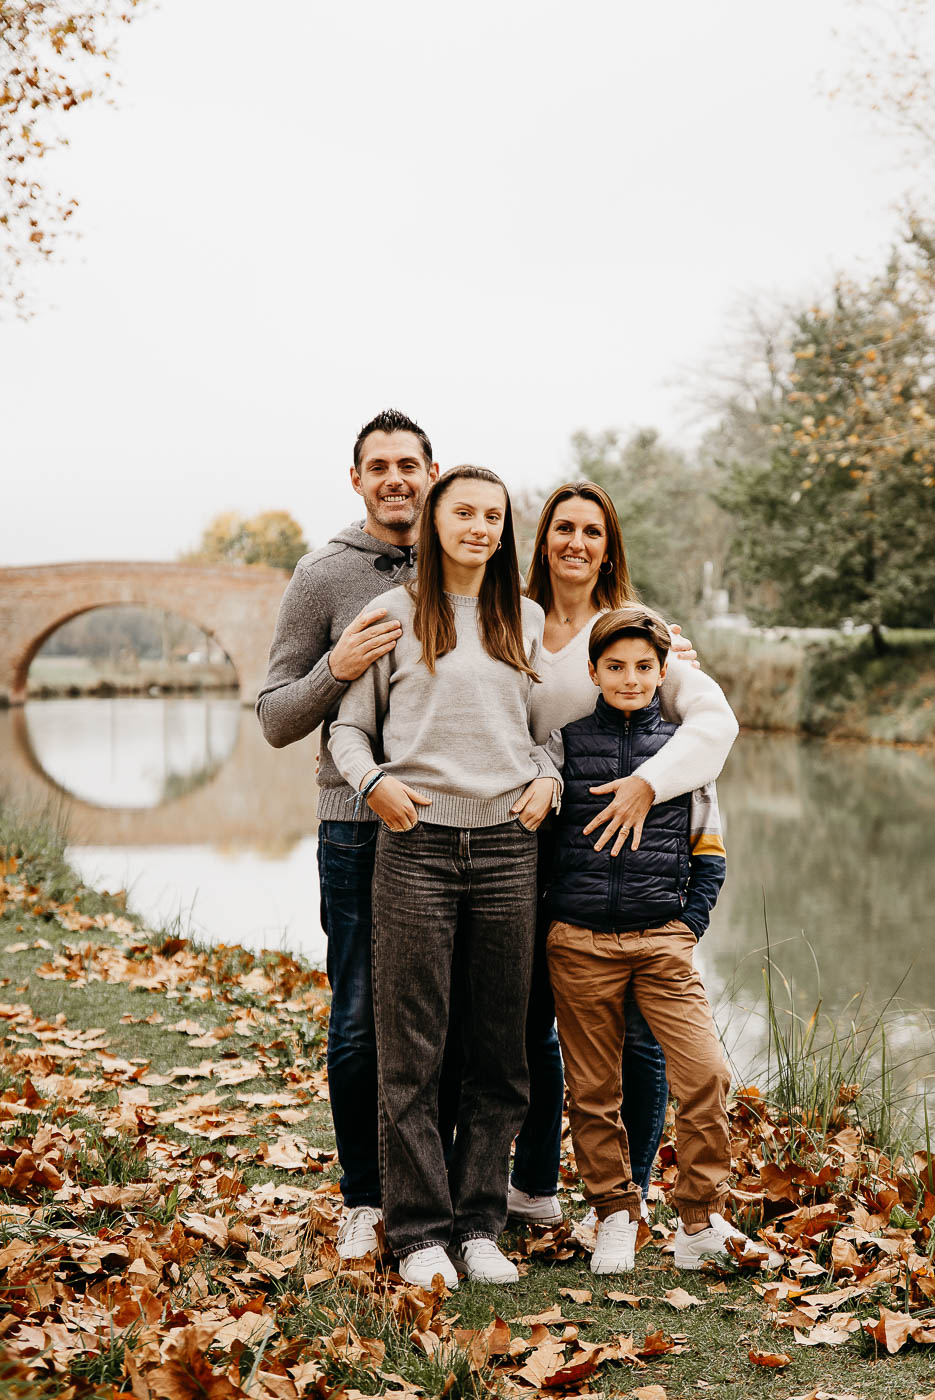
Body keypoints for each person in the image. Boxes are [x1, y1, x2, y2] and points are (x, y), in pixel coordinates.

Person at [328, 465, 561, 1290]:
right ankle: (420, 1232)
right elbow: (347, 735)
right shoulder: (391, 613)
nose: (479, 527)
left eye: (493, 516)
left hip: (506, 850)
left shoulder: (523, 619)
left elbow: (549, 734)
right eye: (463, 512)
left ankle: (479, 1225)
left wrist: (549, 780)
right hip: (417, 849)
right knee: (412, 1051)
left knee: (499, 1052)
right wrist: (375, 785)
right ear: (434, 522)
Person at [508, 483, 739, 1229]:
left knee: (641, 1045)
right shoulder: (510, 619)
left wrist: (645, 785)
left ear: (609, 546)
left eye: (592, 531)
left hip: (625, 856)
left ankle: (628, 1197)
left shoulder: (635, 634)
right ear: (542, 538)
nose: (576, 542)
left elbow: (711, 725)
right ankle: (533, 1186)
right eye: (563, 528)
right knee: (535, 1035)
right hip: (529, 847)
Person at [546, 605, 783, 1274]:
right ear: (592, 671)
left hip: (660, 943)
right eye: (615, 666)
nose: (629, 678)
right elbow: (539, 840)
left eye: (643, 667)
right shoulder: (561, 745)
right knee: (593, 1092)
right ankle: (615, 1214)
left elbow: (709, 850)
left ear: (662, 672)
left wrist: (687, 927)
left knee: (706, 1074)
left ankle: (697, 1220)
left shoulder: (684, 754)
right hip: (579, 942)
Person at [256, 409, 438, 1260]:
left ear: (430, 473)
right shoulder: (323, 576)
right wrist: (339, 667)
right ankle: (365, 1199)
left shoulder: (467, 558)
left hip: (458, 829)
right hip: (357, 829)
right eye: (380, 466)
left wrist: (661, 653)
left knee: (456, 1018)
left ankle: (453, 1199)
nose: (396, 477)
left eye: (410, 463)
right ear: (357, 479)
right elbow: (273, 719)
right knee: (362, 1015)